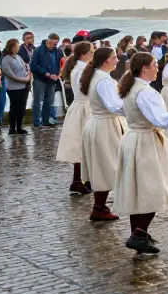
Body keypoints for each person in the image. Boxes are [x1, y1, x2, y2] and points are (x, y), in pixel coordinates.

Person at [113, 53, 168, 255]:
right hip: (145, 141)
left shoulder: (130, 86)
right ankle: (139, 233)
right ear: (144, 68)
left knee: (138, 187)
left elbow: (121, 109)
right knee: (153, 187)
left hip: (133, 137)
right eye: (154, 65)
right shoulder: (145, 92)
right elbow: (161, 120)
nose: (157, 67)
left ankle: (138, 232)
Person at [80, 47, 127, 222]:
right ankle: (99, 207)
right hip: (104, 125)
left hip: (100, 122)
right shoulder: (104, 80)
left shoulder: (97, 76)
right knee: (106, 165)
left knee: (104, 165)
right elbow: (114, 105)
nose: (117, 60)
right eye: (115, 57)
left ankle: (100, 206)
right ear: (106, 60)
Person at [55, 42, 94, 195]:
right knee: (80, 145)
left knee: (83, 144)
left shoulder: (79, 67)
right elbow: (85, 88)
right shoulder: (82, 69)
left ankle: (83, 179)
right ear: (84, 54)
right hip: (83, 106)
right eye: (91, 52)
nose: (93, 54)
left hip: (81, 105)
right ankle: (78, 180)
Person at [0, 38, 32, 135]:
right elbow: (11, 75)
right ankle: (12, 128)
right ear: (12, 47)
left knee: (22, 107)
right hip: (13, 88)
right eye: (17, 46)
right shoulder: (6, 59)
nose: (18, 48)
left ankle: (19, 127)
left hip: (24, 86)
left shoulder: (18, 57)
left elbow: (26, 67)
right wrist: (24, 79)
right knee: (14, 107)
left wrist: (28, 75)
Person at [30, 33, 62, 128]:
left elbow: (61, 64)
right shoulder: (38, 50)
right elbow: (33, 66)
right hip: (40, 79)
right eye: (54, 44)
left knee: (49, 101)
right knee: (38, 101)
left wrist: (58, 74)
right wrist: (46, 73)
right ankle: (37, 122)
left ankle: (46, 120)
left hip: (52, 80)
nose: (55, 46)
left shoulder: (58, 52)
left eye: (56, 44)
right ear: (48, 41)